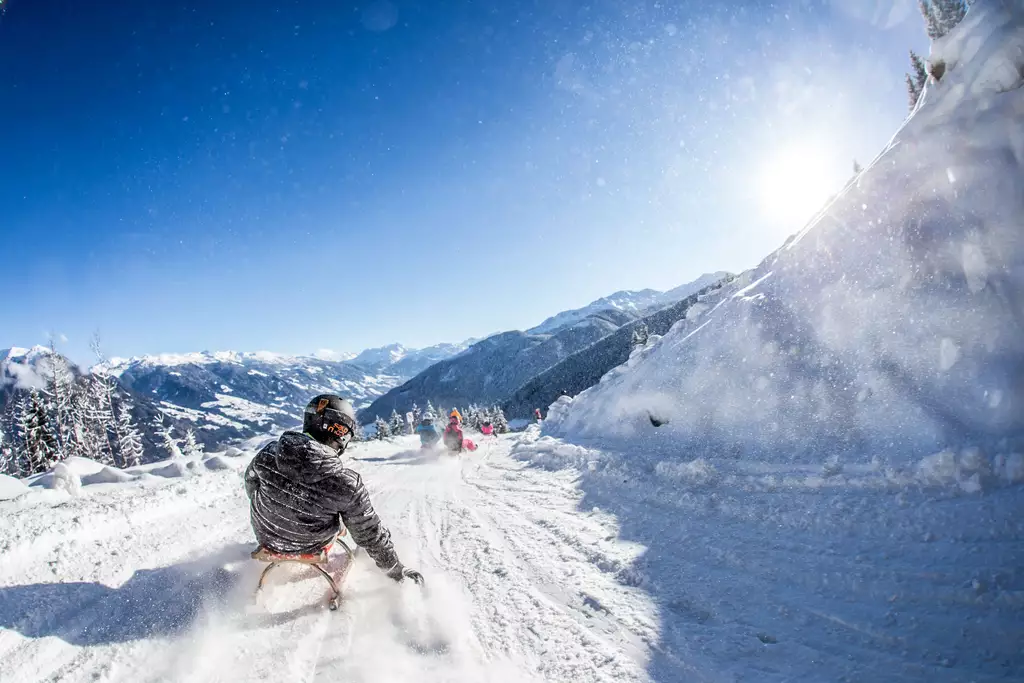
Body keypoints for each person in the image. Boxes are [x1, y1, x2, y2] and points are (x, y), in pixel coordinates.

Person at [244, 394, 423, 584]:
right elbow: (370, 534)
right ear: (340, 433)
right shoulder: (346, 484)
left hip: (266, 538)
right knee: (346, 520)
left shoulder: (268, 454)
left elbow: (251, 487)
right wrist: (395, 569)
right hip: (311, 545)